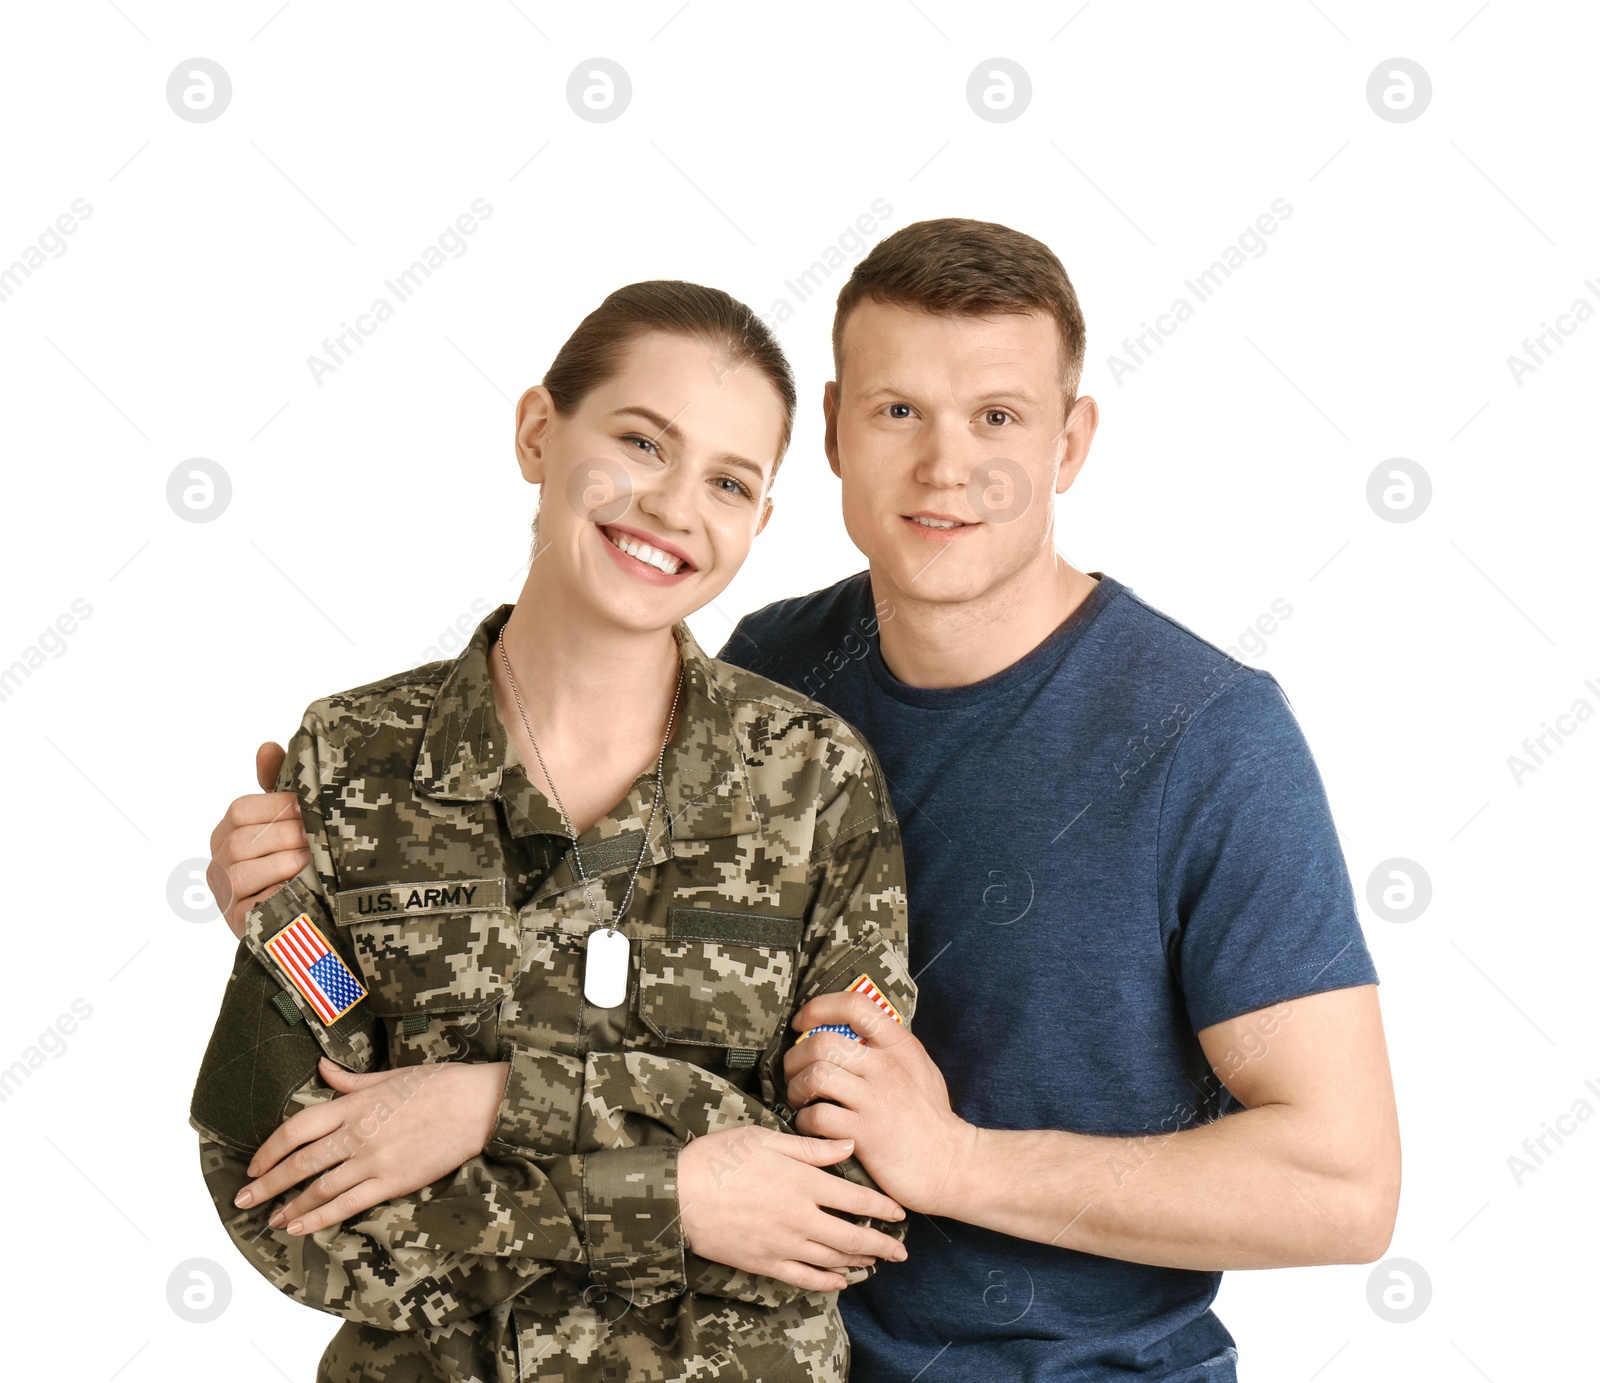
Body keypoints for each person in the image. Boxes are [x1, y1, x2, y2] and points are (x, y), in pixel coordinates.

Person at [209, 220, 1402, 1383]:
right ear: (832, 429)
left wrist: (957, 1164)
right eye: (898, 411)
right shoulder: (777, 675)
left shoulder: (1204, 738)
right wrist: (297, 921)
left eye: (998, 416)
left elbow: (1344, 1190)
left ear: (1071, 442)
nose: (945, 466)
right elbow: (514, 1034)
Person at [189, 280, 919, 1383]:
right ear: (539, 431)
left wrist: (484, 1107)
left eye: (728, 481)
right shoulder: (352, 760)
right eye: (640, 441)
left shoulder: (816, 783)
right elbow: (282, 1194)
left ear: (759, 522)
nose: (676, 507)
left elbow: (842, 1194)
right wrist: (687, 1188)